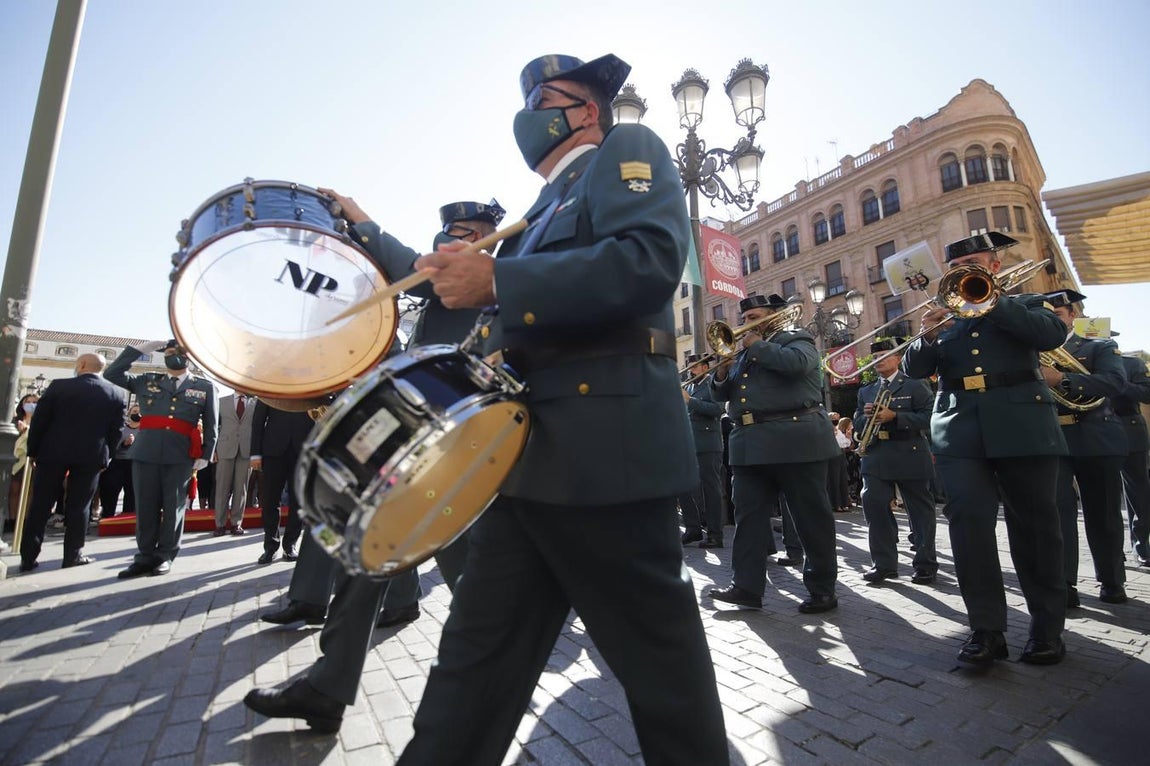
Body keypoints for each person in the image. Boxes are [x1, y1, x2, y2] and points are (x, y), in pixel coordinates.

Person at [386, 53, 727, 765]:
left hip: (606, 452)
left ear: (588, 111)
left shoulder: (627, 152)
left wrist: (500, 281)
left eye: (547, 98)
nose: (530, 113)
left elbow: (648, 261)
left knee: (661, 675)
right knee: (474, 662)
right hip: (527, 458)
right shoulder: (538, 211)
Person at [245, 197, 506, 735]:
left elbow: (412, 264)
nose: (447, 241)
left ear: (486, 239)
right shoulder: (446, 290)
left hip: (456, 445)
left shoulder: (482, 278)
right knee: (377, 559)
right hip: (424, 441)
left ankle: (496, 673)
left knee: (466, 572)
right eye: (445, 231)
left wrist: (360, 220)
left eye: (462, 231)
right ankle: (328, 685)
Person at [901, 231, 1068, 666]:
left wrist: (992, 301)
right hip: (959, 429)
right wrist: (928, 335)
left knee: (1034, 528)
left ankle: (1047, 629)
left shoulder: (1027, 304)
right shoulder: (944, 315)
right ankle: (986, 630)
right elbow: (914, 369)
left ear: (993, 267)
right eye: (956, 269)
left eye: (973, 264)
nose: (964, 273)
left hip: (1022, 425)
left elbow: (1050, 335)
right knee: (969, 527)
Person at [706, 293, 841, 614]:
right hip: (750, 442)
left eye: (755, 317)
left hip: (795, 439)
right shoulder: (745, 351)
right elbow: (720, 394)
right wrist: (723, 371)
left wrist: (756, 345)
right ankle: (746, 586)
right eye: (746, 318)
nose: (746, 324)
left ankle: (822, 589)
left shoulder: (797, 338)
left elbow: (798, 366)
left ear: (774, 317)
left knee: (811, 518)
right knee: (749, 518)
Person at [1040, 289, 1129, 606]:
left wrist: (1062, 378)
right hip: (1052, 441)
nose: (1050, 320)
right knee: (1057, 518)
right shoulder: (1029, 353)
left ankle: (1112, 580)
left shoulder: (1099, 346)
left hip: (1096, 438)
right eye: (1044, 315)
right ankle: (1065, 586)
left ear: (1072, 316)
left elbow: (1114, 383)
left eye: (1057, 314)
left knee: (1103, 514)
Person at [105, 340, 218, 578]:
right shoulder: (148, 381)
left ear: (189, 357)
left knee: (173, 506)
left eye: (178, 353)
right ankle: (144, 556)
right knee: (145, 506)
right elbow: (112, 373)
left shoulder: (204, 387)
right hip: (146, 451)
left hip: (180, 454)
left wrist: (206, 454)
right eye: (168, 352)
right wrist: (139, 350)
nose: (173, 356)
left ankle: (165, 555)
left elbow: (211, 425)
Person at [19, 353, 126, 571]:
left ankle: (28, 556)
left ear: (82, 365)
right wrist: (107, 456)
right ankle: (72, 555)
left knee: (40, 505)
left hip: (52, 454)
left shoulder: (59, 386)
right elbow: (116, 431)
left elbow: (40, 421)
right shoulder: (116, 393)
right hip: (91, 456)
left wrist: (33, 452)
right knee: (80, 506)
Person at [853, 337, 938, 584]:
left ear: (898, 358)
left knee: (919, 511)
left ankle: (925, 563)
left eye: (886, 354)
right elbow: (858, 423)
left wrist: (896, 416)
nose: (880, 359)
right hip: (876, 453)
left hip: (909, 450)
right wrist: (864, 417)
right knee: (874, 506)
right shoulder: (866, 390)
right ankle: (883, 564)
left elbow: (930, 417)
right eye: (876, 356)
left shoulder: (914, 384)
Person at [249, 400, 313, 564]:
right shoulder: (271, 385)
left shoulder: (312, 384)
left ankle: (290, 544)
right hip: (273, 450)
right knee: (270, 500)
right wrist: (255, 454)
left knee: (298, 501)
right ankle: (270, 547)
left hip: (303, 450)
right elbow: (258, 421)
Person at [679, 353, 726, 548]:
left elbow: (717, 409)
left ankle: (715, 534)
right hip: (689, 444)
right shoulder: (689, 386)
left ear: (705, 367)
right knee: (683, 486)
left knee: (711, 491)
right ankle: (693, 528)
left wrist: (690, 401)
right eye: (690, 367)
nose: (691, 370)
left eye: (695, 367)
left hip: (708, 445)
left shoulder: (712, 384)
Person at [1114, 352, 1150, 566]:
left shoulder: (1131, 363)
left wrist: (1118, 384)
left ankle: (1141, 544)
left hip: (1129, 429)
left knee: (1139, 493)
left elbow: (1147, 392)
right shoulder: (1081, 359)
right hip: (1093, 430)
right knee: (1104, 497)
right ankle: (1112, 550)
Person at [213, 391, 254, 535]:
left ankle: (236, 523)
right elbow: (213, 425)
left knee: (241, 489)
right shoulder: (221, 401)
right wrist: (213, 450)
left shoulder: (254, 403)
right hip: (225, 448)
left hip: (246, 450)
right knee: (222, 488)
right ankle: (220, 524)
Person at [96, 403, 139, 519]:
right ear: (129, 414)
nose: (137, 414)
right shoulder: (122, 428)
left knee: (131, 493)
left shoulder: (144, 430)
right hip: (118, 463)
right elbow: (112, 446)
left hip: (134, 464)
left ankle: (127, 517)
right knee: (111, 490)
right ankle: (107, 516)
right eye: (134, 412)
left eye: (139, 412)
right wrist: (124, 444)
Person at [828, 414, 853, 512]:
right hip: (833, 456)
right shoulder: (829, 430)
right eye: (834, 419)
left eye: (837, 419)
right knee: (835, 480)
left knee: (842, 479)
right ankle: (836, 504)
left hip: (841, 455)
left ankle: (844, 503)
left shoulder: (838, 431)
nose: (836, 420)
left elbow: (845, 444)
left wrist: (848, 437)